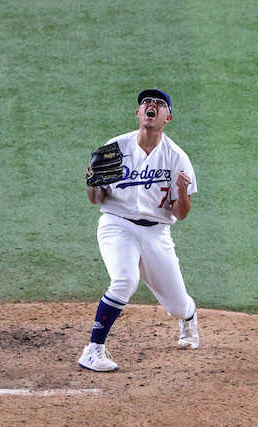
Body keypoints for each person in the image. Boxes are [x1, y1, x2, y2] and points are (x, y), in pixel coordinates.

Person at [78, 88, 200, 372]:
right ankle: (93, 349)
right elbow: (97, 199)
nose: (152, 106)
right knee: (124, 280)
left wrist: (181, 192)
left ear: (167, 117)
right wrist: (93, 183)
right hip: (117, 225)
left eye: (159, 104)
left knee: (177, 306)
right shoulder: (115, 147)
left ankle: (189, 318)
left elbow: (180, 214)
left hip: (157, 233)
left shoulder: (177, 157)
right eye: (147, 102)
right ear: (139, 113)